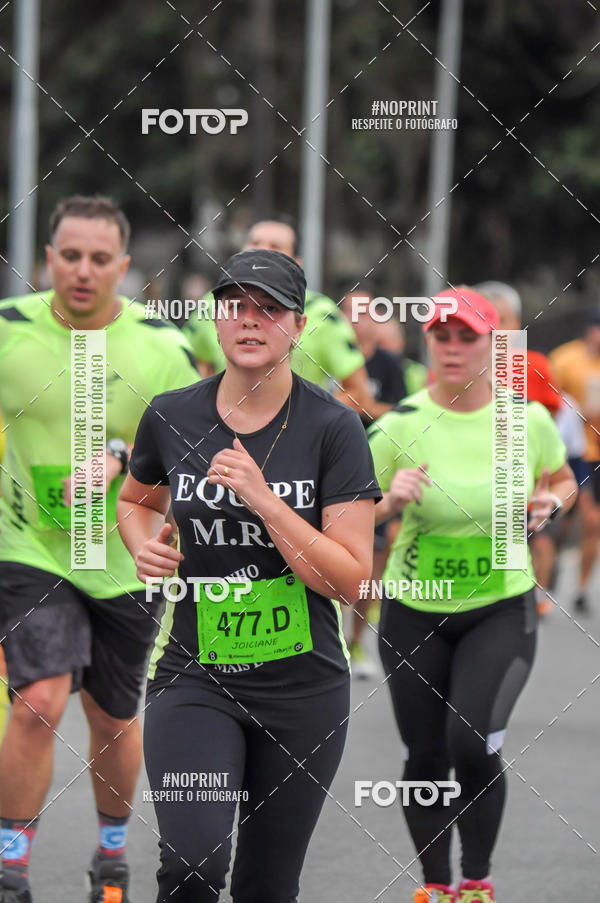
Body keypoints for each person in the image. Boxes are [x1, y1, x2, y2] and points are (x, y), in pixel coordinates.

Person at [117, 248, 380, 903]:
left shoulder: (334, 426)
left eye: (271, 309)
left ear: (298, 325)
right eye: (235, 305)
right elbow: (133, 499)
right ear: (215, 319)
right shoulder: (174, 413)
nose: (251, 321)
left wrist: (267, 501)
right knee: (192, 864)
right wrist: (143, 545)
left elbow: (350, 580)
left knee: (267, 885)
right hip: (195, 674)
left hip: (303, 688)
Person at [0, 195, 199, 903]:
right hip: (31, 547)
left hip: (121, 553)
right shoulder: (8, 333)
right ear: (47, 260)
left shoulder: (161, 348)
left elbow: (195, 453)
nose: (82, 271)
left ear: (123, 266)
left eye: (98, 258)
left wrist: (121, 458)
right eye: (69, 255)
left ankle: (110, 853)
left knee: (114, 717)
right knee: (38, 702)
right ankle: (10, 866)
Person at [368, 287, 576, 903]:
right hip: (410, 610)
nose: (454, 348)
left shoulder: (526, 419)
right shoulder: (398, 426)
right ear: (427, 341)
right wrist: (389, 502)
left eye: (468, 337)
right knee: (425, 755)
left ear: (493, 345)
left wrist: (550, 503)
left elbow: (562, 479)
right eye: (442, 336)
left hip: (499, 607)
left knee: (470, 739)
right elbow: (345, 520)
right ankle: (434, 886)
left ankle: (478, 881)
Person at [182, 218, 388, 419]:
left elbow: (359, 394)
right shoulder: (210, 305)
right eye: (255, 243)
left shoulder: (323, 313)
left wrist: (299, 421)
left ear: (296, 263)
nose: (262, 250)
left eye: (275, 245)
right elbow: (195, 371)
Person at [340, 292, 407, 677]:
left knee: (371, 562)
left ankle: (356, 643)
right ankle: (327, 641)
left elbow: (402, 411)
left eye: (367, 312)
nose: (358, 318)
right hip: (326, 468)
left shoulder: (387, 364)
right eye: (350, 311)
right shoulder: (329, 357)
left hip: (373, 471)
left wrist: (359, 407)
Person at [550, 309, 600, 612]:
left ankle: (582, 588)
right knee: (562, 522)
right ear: (589, 330)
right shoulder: (564, 358)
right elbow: (549, 402)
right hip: (571, 451)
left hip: (596, 454)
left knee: (593, 522)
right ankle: (550, 565)